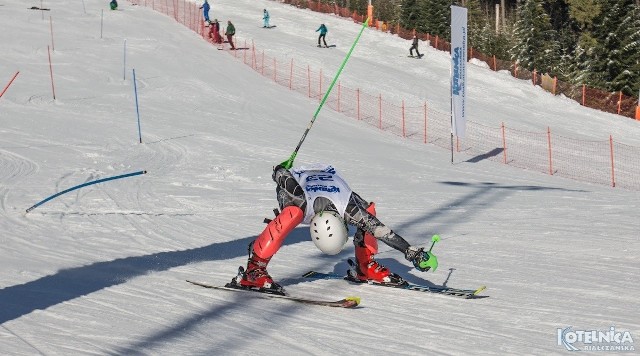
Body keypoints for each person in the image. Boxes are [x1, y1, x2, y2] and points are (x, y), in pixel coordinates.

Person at [234, 163, 438, 293]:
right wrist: (280, 171)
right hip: (300, 181)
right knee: (293, 212)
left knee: (368, 212)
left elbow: (380, 230)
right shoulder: (300, 201)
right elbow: (283, 176)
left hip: (329, 178)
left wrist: (412, 252)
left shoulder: (347, 208)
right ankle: (254, 269)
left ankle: (365, 267)